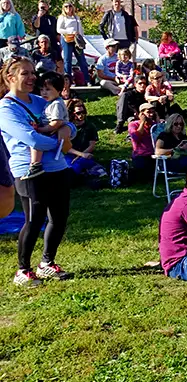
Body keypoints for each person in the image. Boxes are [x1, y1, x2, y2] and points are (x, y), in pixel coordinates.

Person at [0, 56, 74, 286]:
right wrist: (60, 142)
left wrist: (67, 131)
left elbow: (67, 122)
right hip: (29, 171)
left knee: (59, 218)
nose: (33, 77)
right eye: (25, 73)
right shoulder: (5, 108)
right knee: (34, 220)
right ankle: (23, 270)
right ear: (10, 78)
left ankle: (47, 263)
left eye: (33, 72)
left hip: (58, 167)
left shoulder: (41, 100)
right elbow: (29, 138)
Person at [24, 70, 72, 180]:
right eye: (42, 90)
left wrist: (41, 129)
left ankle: (36, 164)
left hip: (52, 132)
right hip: (50, 131)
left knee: (37, 143)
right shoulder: (50, 103)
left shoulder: (56, 104)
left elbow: (56, 122)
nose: (44, 93)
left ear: (59, 90)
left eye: (48, 89)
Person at [64, 99, 107, 183]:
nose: (81, 115)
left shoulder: (90, 126)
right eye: (78, 113)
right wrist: (79, 154)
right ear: (72, 113)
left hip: (85, 154)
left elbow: (91, 145)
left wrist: (82, 155)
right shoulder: (67, 127)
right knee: (69, 165)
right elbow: (65, 146)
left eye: (83, 112)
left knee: (80, 163)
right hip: (69, 154)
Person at [57, 2, 88, 80]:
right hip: (67, 39)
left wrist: (81, 37)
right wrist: (69, 32)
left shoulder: (76, 17)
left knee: (82, 60)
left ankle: (87, 79)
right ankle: (68, 79)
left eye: (70, 6)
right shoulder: (62, 17)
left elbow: (80, 28)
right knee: (68, 60)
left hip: (76, 39)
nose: (68, 8)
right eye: (66, 6)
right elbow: (58, 29)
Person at [129, 103, 161, 176]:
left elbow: (162, 137)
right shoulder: (133, 124)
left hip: (153, 155)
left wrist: (158, 122)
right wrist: (142, 122)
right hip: (141, 156)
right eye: (148, 112)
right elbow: (136, 137)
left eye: (153, 112)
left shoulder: (154, 125)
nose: (151, 115)